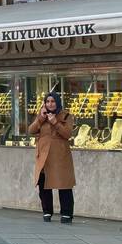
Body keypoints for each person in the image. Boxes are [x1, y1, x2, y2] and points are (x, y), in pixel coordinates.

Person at [29, 91, 76, 223]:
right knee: (43, 183)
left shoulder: (66, 115)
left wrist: (55, 122)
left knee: (64, 184)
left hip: (59, 156)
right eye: (48, 101)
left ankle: (66, 213)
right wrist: (40, 118)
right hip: (44, 155)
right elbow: (31, 130)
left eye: (53, 101)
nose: (50, 104)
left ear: (58, 102)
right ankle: (47, 211)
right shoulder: (42, 116)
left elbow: (67, 134)